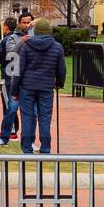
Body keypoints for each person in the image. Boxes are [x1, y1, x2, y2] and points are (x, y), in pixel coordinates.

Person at [13, 18, 66, 155]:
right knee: (45, 117)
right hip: (46, 87)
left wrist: (14, 90)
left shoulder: (27, 46)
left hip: (27, 87)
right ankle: (45, 148)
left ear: (35, 32)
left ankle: (27, 148)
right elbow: (61, 69)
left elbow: (19, 69)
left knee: (27, 117)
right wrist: (59, 83)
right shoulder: (57, 47)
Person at [0, 16, 22, 146]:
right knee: (12, 105)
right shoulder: (18, 39)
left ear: (6, 27)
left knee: (8, 104)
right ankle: (13, 130)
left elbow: (0, 57)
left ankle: (11, 131)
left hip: (8, 76)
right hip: (17, 74)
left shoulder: (6, 40)